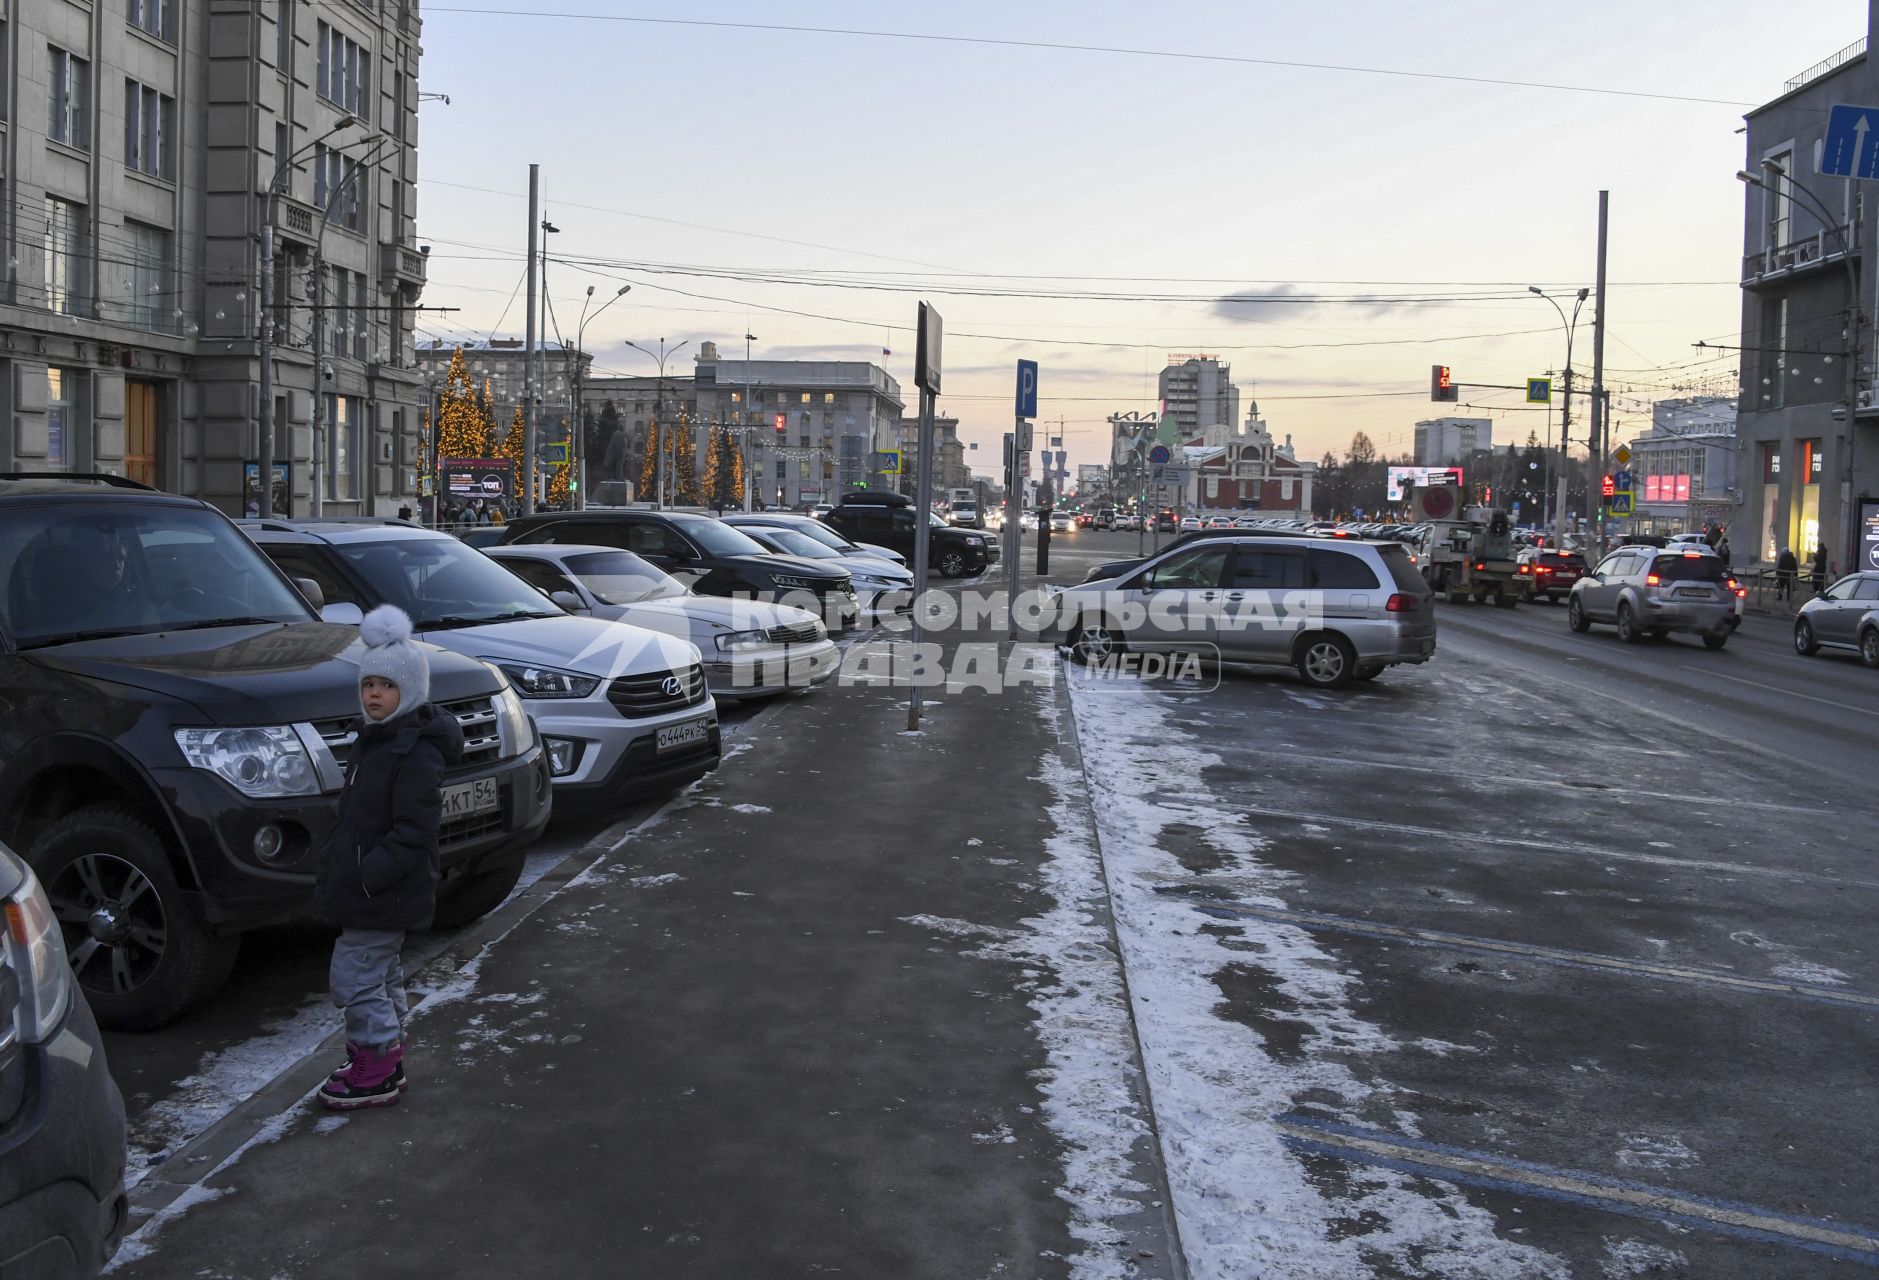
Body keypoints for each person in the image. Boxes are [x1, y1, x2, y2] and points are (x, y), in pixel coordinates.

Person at [314, 605, 464, 1111]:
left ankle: (373, 1066)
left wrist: (366, 874)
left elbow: (415, 830)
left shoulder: (413, 752)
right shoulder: (375, 740)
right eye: (368, 685)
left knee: (355, 977)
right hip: (371, 887)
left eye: (386, 686)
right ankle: (383, 1056)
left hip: (382, 889)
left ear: (412, 691)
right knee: (378, 975)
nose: (374, 694)